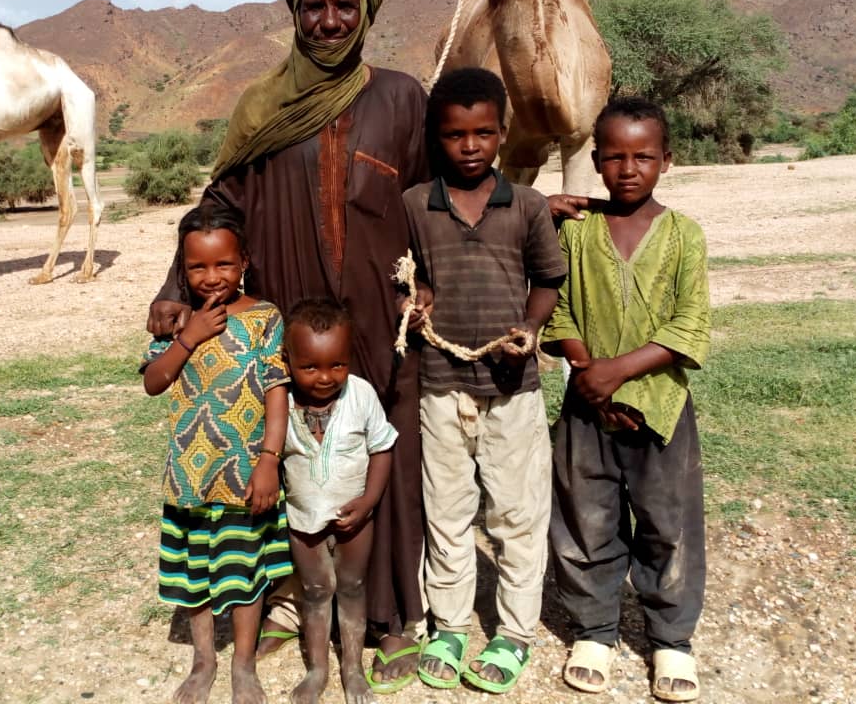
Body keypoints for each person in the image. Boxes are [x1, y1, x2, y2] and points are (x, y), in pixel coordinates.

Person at [147, 0, 428, 689]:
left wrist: (445, 271)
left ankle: (392, 617)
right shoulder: (263, 104)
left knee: (382, 449)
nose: (329, 21)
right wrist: (175, 285)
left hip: (380, 314)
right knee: (290, 450)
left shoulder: (402, 97)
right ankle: (283, 600)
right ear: (294, 12)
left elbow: (430, 199)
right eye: (314, 6)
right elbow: (220, 203)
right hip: (287, 313)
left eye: (344, 6)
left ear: (366, 11)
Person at [400, 68, 567, 694]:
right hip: (441, 382)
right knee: (446, 511)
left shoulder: (526, 205)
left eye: (484, 133)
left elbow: (547, 279)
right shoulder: (416, 204)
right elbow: (413, 276)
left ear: (502, 132)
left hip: (512, 385)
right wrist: (416, 300)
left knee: (517, 512)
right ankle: (448, 626)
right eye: (454, 135)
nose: (469, 146)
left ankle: (515, 632)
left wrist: (530, 327)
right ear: (436, 137)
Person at [541, 97, 711, 703]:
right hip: (587, 406)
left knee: (669, 523)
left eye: (643, 156)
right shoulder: (577, 231)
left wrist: (617, 372)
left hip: (660, 407)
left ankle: (671, 638)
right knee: (586, 517)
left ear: (667, 160)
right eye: (614, 157)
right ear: (595, 161)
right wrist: (589, 374)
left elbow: (690, 323)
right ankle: (595, 630)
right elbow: (559, 309)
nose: (629, 169)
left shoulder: (684, 235)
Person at [141, 205, 292, 704]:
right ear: (182, 269)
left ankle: (243, 664)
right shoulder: (174, 320)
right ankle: (203, 659)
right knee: (194, 573)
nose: (211, 277)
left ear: (244, 260)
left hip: (245, 473)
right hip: (190, 475)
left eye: (224, 264)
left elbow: (276, 392)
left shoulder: (265, 318)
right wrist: (189, 336)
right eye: (197, 267)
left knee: (245, 571)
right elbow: (154, 382)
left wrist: (269, 459)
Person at [280, 299, 398, 704]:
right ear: (288, 360)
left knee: (352, 586)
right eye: (310, 367)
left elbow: (382, 448)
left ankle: (353, 668)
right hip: (303, 516)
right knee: (315, 589)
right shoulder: (280, 401)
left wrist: (368, 501)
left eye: (337, 365)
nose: (326, 377)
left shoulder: (360, 394)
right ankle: (317, 669)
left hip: (356, 517)